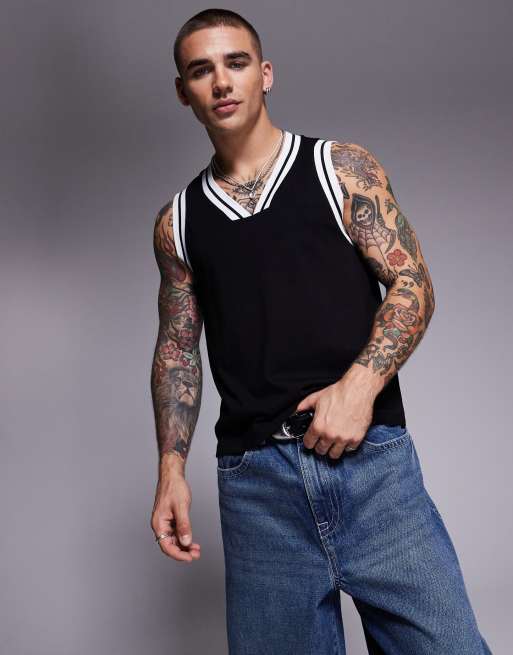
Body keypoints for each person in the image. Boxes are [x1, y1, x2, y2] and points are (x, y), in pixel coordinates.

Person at [149, 8, 493, 655]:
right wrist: (170, 467)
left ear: (265, 74)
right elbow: (177, 349)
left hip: (370, 467)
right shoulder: (179, 222)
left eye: (235, 63)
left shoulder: (340, 168)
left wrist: (358, 387)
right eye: (201, 70)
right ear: (183, 91)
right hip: (256, 489)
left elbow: (412, 283)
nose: (221, 81)